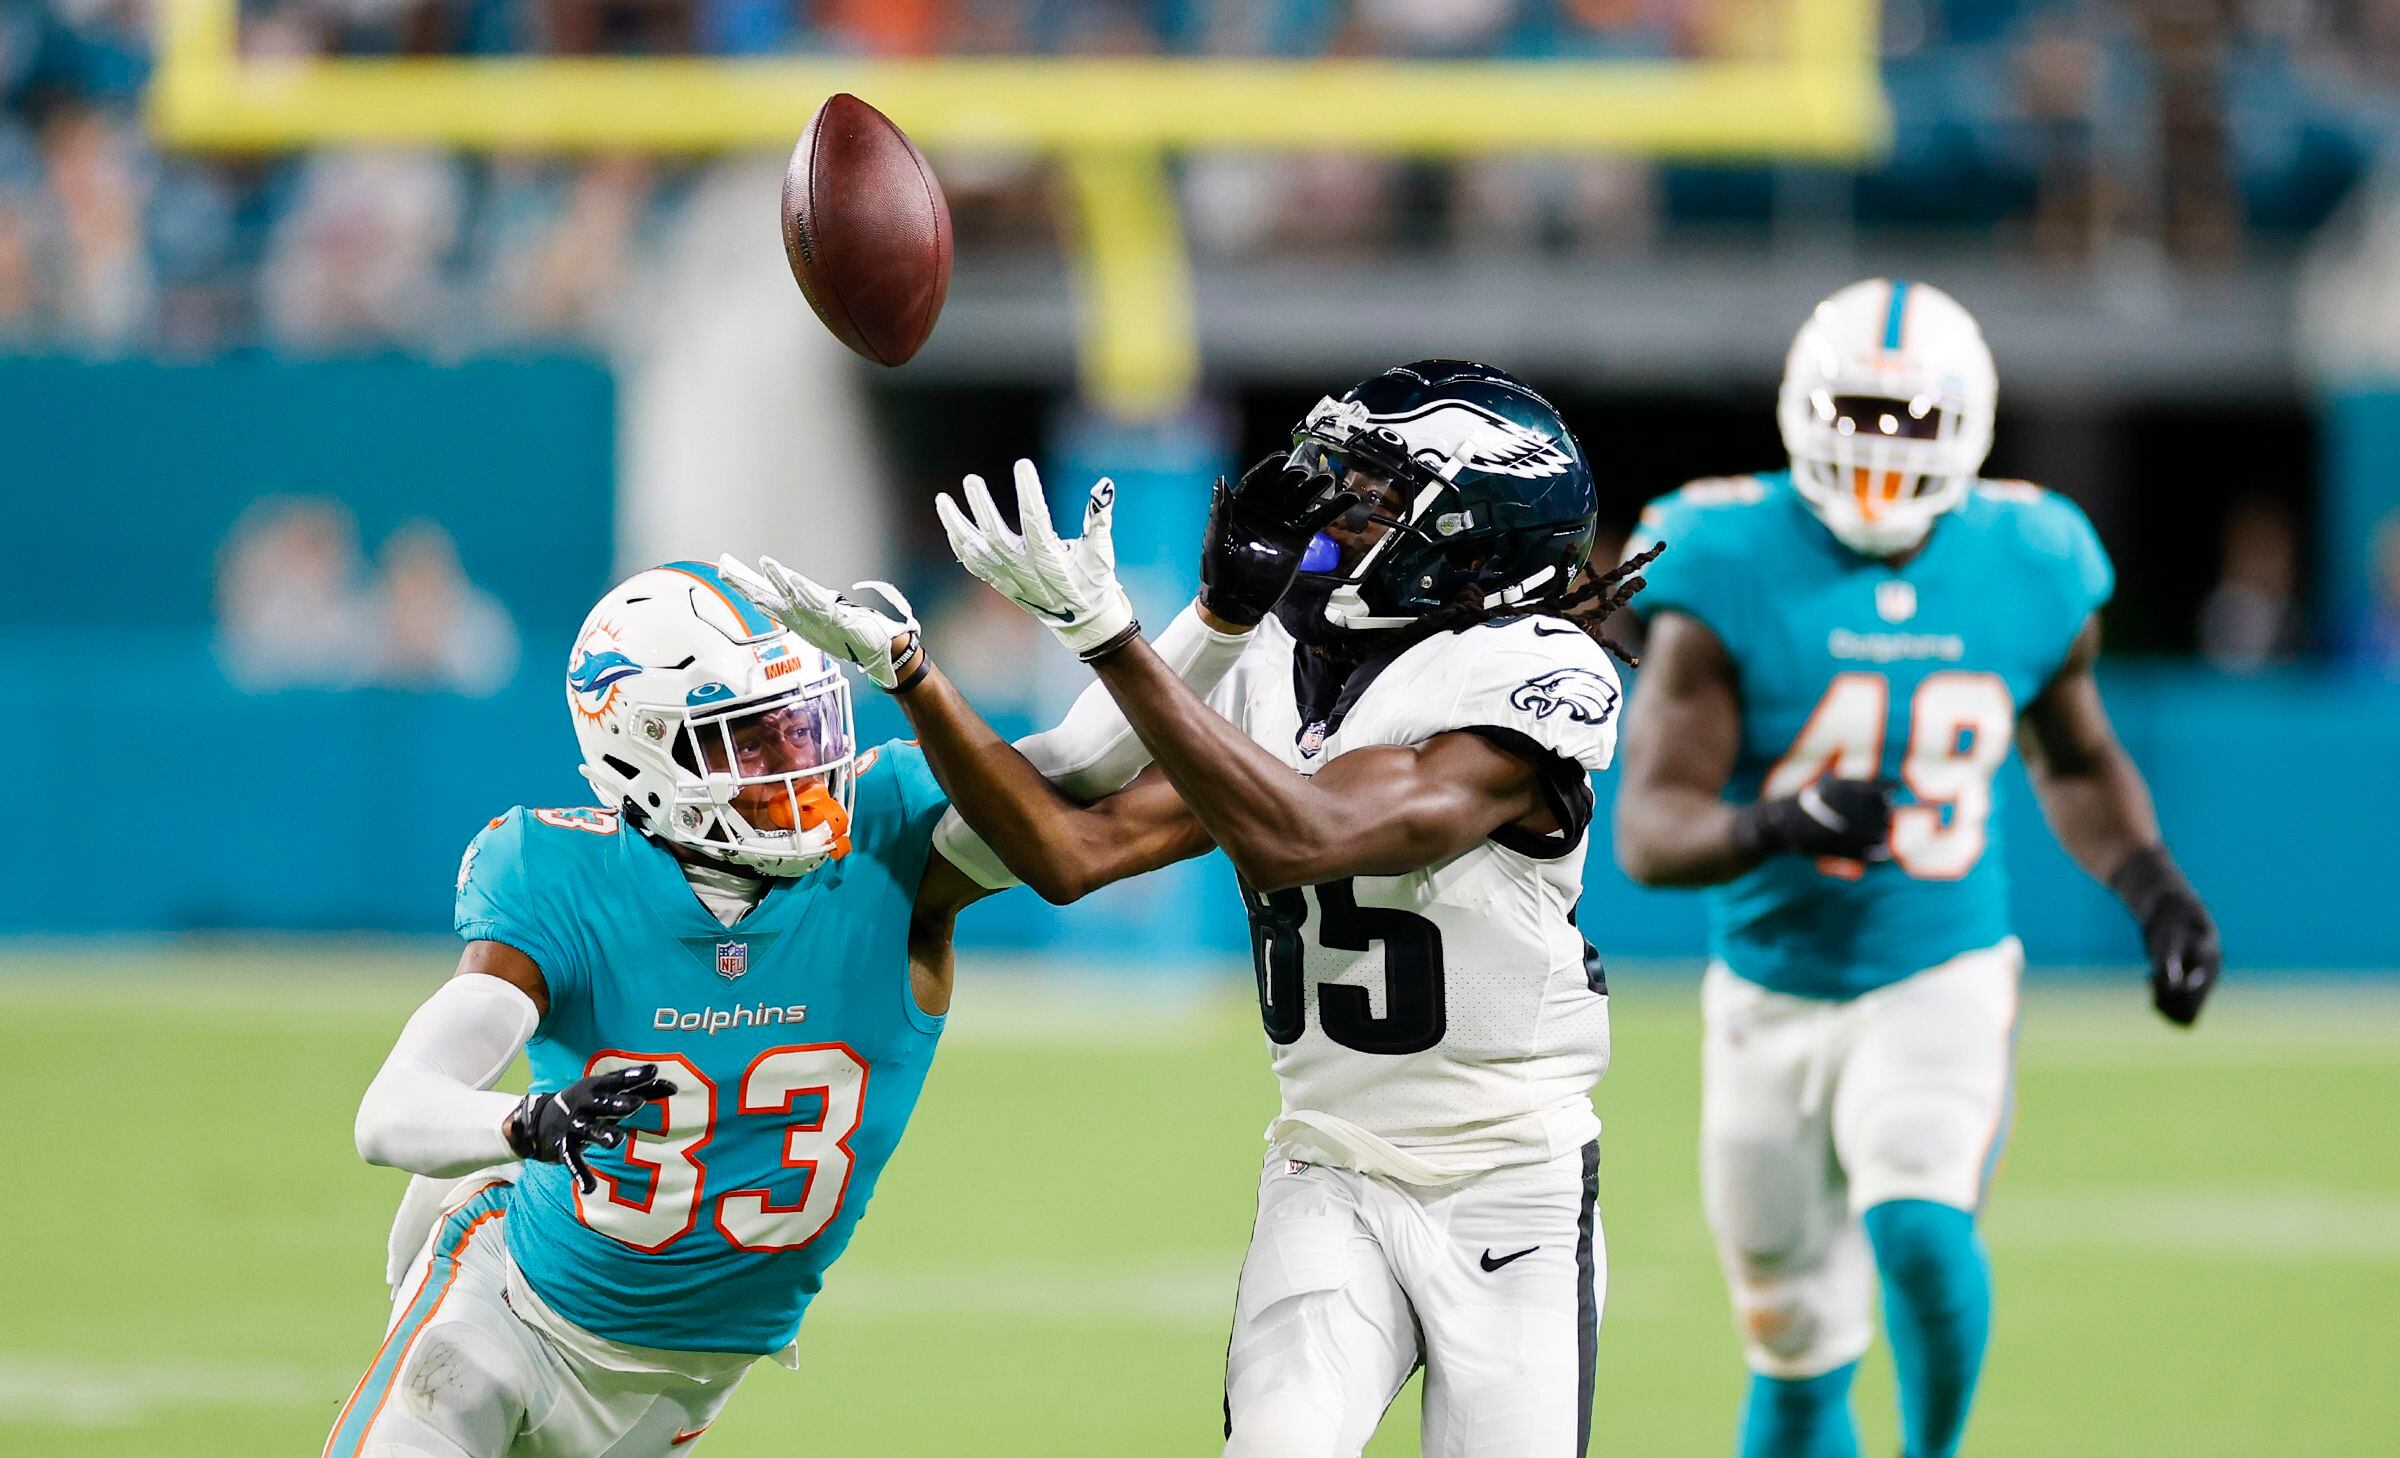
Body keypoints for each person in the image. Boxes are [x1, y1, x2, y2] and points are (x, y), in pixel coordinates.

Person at [729, 360, 1655, 1457]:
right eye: (1331, 486)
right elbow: (1077, 847)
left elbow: (1307, 835)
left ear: (1469, 534)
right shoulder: (1287, 661)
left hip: (1510, 1183)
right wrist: (916, 674)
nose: (1328, 521)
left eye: (1367, 500)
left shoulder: (1535, 670)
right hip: (1330, 1167)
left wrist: (1115, 639)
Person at [331, 559, 1254, 1458]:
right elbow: (394, 1107)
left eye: (802, 727)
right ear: (639, 748)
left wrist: (1217, 615)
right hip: (514, 1306)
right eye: (751, 739)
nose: (797, 766)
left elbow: (1080, 762)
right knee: (442, 1394)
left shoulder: (885, 843)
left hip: (680, 1384)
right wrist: (526, 1120)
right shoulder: (559, 878)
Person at [1610, 280, 2223, 1458]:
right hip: (1770, 987)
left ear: (1969, 422)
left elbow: (2080, 759)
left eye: (1910, 418)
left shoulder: (2030, 554)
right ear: (1802, 407)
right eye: (1859, 411)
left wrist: (2154, 886)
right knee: (1795, 1358)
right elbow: (1651, 830)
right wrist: (1776, 826)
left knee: (1921, 1228)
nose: (1880, 446)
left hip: (1937, 965)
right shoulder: (1723, 551)